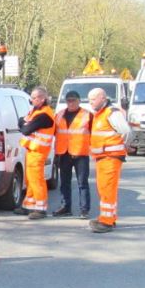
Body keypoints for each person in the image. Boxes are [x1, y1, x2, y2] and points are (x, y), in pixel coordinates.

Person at [88, 87, 131, 233]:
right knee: (104, 189)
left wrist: (122, 147)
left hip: (111, 157)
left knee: (107, 189)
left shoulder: (112, 113)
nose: (90, 102)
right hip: (103, 158)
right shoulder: (99, 114)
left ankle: (106, 222)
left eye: (93, 99)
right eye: (89, 100)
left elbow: (126, 132)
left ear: (102, 98)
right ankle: (108, 218)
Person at [15, 86, 55, 220]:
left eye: (34, 97)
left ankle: (40, 208)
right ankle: (28, 205)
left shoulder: (44, 114)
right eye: (31, 97)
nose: (31, 100)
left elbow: (25, 129)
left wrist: (24, 124)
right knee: (30, 180)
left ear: (42, 99)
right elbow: (21, 121)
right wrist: (24, 124)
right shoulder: (34, 111)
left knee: (37, 180)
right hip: (31, 150)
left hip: (38, 151)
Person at [51, 91, 91, 218]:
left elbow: (95, 134)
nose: (71, 102)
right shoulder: (59, 115)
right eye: (68, 100)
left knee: (82, 183)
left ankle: (84, 209)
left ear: (79, 101)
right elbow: (52, 131)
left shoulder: (87, 115)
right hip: (64, 153)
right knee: (64, 182)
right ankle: (65, 207)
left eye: (73, 100)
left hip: (81, 153)